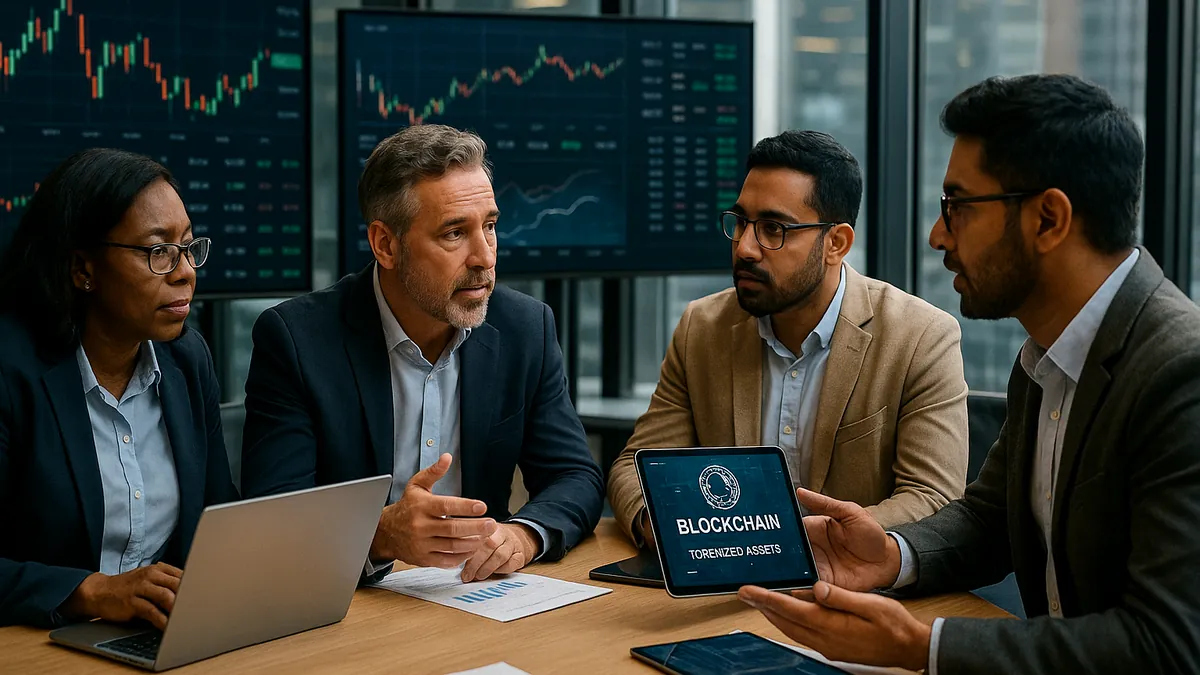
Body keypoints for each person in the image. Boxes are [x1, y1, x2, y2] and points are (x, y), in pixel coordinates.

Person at [739, 74, 1200, 674]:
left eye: (958, 207)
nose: (937, 235)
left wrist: (922, 647)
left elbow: (1167, 646)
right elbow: (990, 522)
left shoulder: (1179, 373)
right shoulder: (1046, 353)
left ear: (1048, 219)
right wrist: (892, 556)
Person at [239, 124, 604, 583]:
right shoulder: (297, 340)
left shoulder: (525, 328)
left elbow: (574, 475)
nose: (485, 257)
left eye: (490, 227)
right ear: (385, 245)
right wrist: (379, 534)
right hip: (352, 603)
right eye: (455, 234)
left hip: (477, 595)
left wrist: (524, 536)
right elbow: (273, 518)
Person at [607, 130, 969, 547]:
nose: (744, 248)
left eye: (773, 229)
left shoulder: (920, 337)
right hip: (724, 586)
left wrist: (787, 542)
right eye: (741, 222)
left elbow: (933, 498)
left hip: (855, 592)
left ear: (836, 243)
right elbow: (636, 466)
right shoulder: (701, 327)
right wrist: (668, 530)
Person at [0, 148, 239, 629]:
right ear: (82, 269)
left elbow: (219, 518)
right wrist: (92, 591)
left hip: (156, 637)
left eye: (189, 248)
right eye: (158, 251)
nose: (185, 271)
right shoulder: (11, 371)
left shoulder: (187, 360)